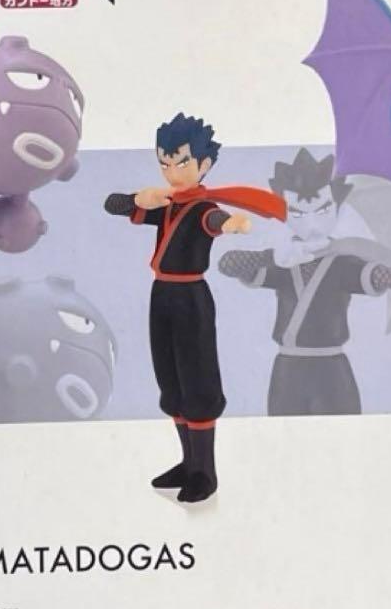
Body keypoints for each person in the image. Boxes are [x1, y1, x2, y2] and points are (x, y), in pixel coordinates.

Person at [104, 113, 285, 502]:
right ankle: (188, 463)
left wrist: (232, 224)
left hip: (190, 298)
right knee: (171, 380)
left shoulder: (202, 208)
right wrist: (138, 199)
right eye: (164, 163)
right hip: (161, 296)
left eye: (180, 162)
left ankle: (205, 471)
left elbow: (216, 220)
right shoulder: (165, 203)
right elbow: (111, 204)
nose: (171, 172)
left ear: (204, 164)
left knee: (198, 379)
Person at [219, 148, 391, 415]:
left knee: (343, 433)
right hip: (287, 372)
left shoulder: (342, 263)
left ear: (336, 208)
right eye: (299, 214)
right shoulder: (282, 262)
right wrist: (273, 257)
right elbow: (227, 264)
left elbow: (382, 275)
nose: (312, 224)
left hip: (332, 372)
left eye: (322, 210)